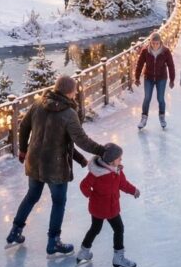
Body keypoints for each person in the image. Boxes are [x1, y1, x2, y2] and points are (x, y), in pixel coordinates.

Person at [6, 75, 107, 254]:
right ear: (69, 92)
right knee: (58, 202)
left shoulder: (38, 103)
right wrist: (102, 150)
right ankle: (54, 241)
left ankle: (15, 231)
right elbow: (81, 140)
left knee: (32, 196)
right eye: (74, 91)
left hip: (34, 161)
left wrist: (23, 150)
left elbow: (24, 126)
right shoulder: (68, 113)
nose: (75, 94)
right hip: (56, 166)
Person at [75, 143, 140, 267]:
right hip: (106, 208)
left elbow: (123, 184)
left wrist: (133, 190)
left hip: (108, 206)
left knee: (95, 229)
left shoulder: (117, 170)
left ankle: (84, 252)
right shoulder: (96, 173)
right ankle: (118, 258)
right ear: (111, 160)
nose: (121, 160)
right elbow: (84, 186)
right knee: (118, 228)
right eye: (119, 158)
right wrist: (92, 196)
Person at [134, 33, 175, 130]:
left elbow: (171, 65)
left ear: (160, 42)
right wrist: (137, 78)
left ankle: (162, 117)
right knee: (147, 98)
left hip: (161, 78)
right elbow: (139, 64)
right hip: (149, 78)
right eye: (153, 43)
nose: (155, 45)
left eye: (157, 43)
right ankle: (143, 119)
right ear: (150, 42)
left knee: (160, 98)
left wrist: (172, 79)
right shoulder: (145, 51)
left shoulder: (165, 51)